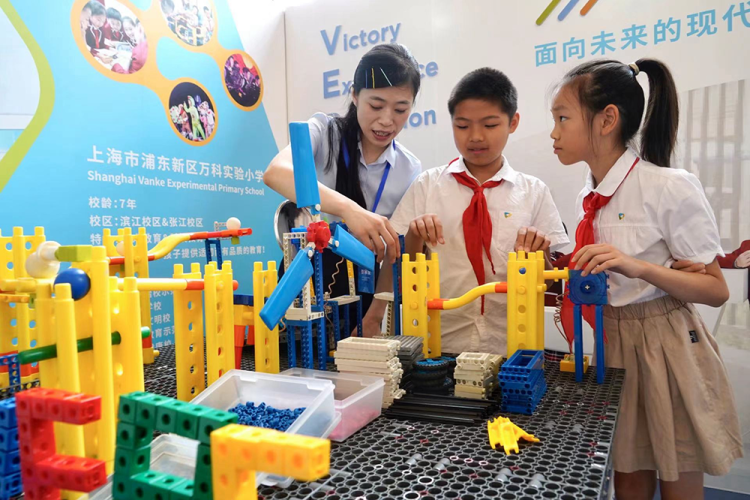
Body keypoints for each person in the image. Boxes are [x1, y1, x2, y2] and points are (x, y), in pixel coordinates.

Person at [549, 58, 742, 500]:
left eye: (562, 118)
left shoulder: (669, 187)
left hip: (668, 345)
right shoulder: (588, 196)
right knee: (628, 478)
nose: (554, 133)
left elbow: (716, 290)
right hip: (614, 344)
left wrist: (639, 267)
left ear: (607, 120)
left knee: (678, 475)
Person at [389, 68, 568, 354]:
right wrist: (413, 236)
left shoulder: (534, 192)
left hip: (513, 343)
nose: (475, 136)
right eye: (462, 126)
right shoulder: (427, 186)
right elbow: (401, 267)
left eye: (490, 125)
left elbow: (550, 282)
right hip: (439, 341)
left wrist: (541, 254)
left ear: (513, 122)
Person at [263, 44, 423, 332]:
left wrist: (376, 315)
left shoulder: (408, 168)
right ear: (355, 95)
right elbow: (275, 173)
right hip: (306, 278)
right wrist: (350, 210)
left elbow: (396, 252)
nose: (387, 120)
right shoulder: (324, 132)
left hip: (364, 288)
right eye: (376, 106)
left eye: (401, 109)